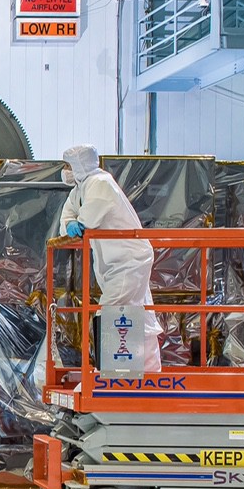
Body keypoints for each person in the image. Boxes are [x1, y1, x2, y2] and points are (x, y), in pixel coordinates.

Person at [58, 144, 162, 373]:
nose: (65, 171)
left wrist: (77, 223)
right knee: (138, 312)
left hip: (128, 260)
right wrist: (71, 224)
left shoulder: (100, 183)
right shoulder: (80, 190)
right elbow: (65, 222)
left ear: (80, 165)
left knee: (112, 311)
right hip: (116, 263)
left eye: (68, 166)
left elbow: (88, 220)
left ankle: (114, 373)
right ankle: (149, 371)